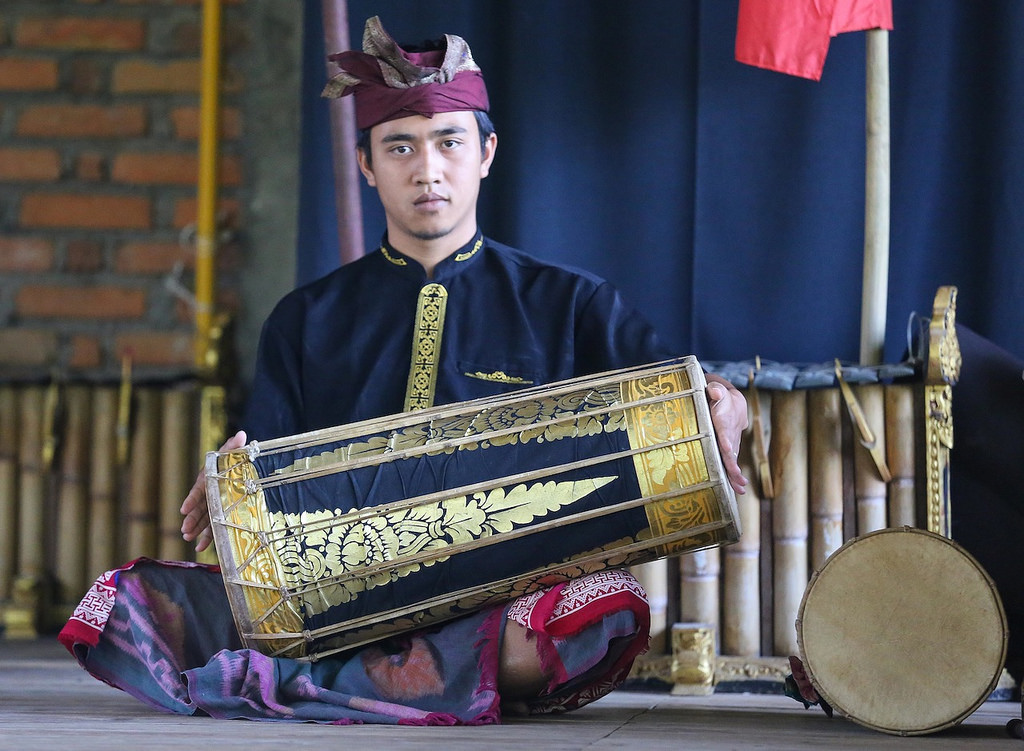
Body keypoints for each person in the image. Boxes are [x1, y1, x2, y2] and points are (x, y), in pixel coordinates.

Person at [61, 16, 748, 725]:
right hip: (333, 594)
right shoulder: (307, 317)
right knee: (123, 600)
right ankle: (397, 675)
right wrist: (233, 483)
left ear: (486, 152)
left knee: (600, 608)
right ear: (367, 165)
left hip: (501, 605)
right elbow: (258, 471)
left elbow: (686, 398)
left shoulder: (570, 301)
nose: (427, 169)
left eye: (449, 142)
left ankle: (331, 680)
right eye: (400, 146)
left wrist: (728, 406)